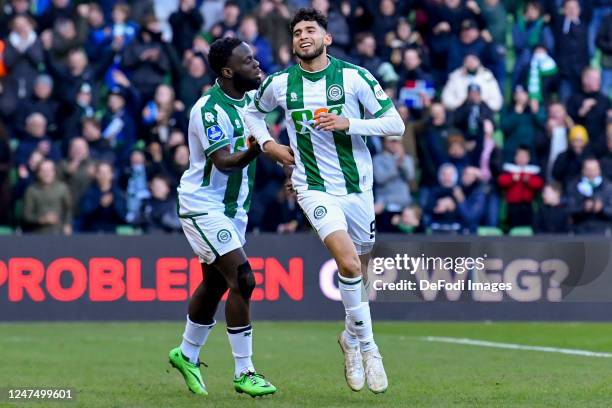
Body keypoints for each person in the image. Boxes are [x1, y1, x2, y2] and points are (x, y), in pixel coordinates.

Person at [245, 8, 404, 394]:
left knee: (360, 271)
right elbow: (251, 110)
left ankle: (349, 337)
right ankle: (368, 347)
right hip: (312, 187)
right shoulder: (281, 83)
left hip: (357, 189)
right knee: (347, 262)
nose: (303, 36)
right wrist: (269, 145)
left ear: (326, 39)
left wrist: (352, 123)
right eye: (297, 31)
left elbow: (395, 125)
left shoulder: (354, 77)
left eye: (310, 30)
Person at [169, 37, 277, 398]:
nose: (257, 64)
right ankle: (244, 371)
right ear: (228, 71)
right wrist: (261, 145)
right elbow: (225, 162)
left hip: (234, 211)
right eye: (248, 61)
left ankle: (186, 354)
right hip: (203, 205)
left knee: (216, 285)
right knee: (243, 279)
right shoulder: (208, 109)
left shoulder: (251, 101)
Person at [498, 145, 544, 229]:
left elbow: (539, 183)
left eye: (524, 156)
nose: (522, 158)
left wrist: (528, 180)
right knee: (513, 227)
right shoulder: (510, 169)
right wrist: (512, 178)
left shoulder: (532, 170)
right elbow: (501, 181)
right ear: (515, 157)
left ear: (529, 158)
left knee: (527, 227)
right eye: (519, 156)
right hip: (513, 205)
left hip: (527, 204)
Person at [22, 159, 72, 234]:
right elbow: (26, 215)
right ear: (38, 173)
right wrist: (42, 219)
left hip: (59, 231)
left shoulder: (62, 188)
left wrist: (67, 224)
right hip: (38, 233)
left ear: (54, 172)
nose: (47, 174)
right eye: (43, 171)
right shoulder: (31, 191)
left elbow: (68, 209)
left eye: (50, 171)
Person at [567, 158, 612, 234]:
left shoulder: (608, 187)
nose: (591, 172)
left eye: (594, 169)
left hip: (603, 229)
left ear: (599, 170)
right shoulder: (574, 186)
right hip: (580, 228)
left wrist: (602, 208)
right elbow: (568, 209)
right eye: (588, 169)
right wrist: (583, 207)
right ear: (583, 170)